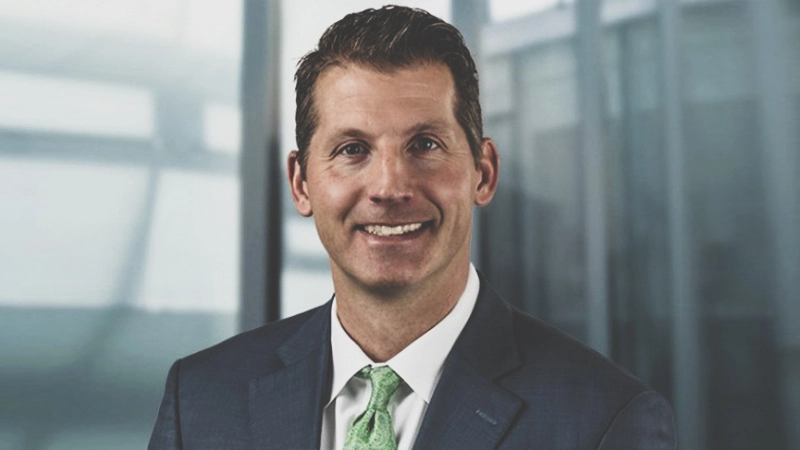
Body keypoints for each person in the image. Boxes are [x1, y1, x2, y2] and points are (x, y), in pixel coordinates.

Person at [149, 5, 676, 449]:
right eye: (352, 149)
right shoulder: (199, 400)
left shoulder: (607, 422)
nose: (389, 186)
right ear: (301, 183)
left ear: (484, 173)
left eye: (424, 145)